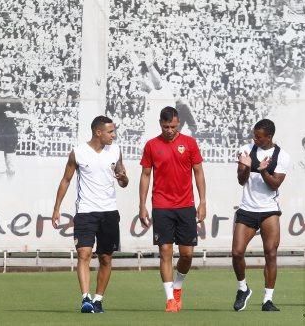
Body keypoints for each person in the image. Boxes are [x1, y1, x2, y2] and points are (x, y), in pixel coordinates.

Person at [52, 116, 129, 313]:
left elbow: (123, 180)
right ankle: (85, 299)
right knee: (84, 253)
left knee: (105, 258)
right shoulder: (78, 153)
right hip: (86, 211)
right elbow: (66, 180)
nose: (114, 135)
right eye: (110, 132)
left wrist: (123, 178)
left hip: (109, 212)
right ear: (98, 132)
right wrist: (56, 208)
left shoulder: (116, 150)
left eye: (114, 132)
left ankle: (98, 300)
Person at [139, 106, 206, 313]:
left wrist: (203, 202)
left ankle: (178, 287)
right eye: (166, 126)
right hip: (161, 206)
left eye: (173, 127)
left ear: (179, 124)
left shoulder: (190, 143)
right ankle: (170, 299)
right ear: (160, 123)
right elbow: (146, 175)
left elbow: (198, 172)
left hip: (186, 206)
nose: (170, 130)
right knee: (165, 251)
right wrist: (142, 205)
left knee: (186, 255)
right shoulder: (151, 145)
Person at [232, 119, 290, 312]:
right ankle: (243, 288)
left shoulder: (282, 156)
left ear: (269, 137)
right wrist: (246, 167)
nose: (254, 139)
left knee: (271, 254)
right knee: (237, 252)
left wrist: (264, 171)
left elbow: (274, 184)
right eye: (254, 135)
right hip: (247, 209)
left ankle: (268, 300)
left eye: (259, 136)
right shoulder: (246, 149)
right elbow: (241, 181)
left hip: (269, 210)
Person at [0, 75, 26, 178]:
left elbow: (27, 115)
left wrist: (14, 115)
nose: (4, 84)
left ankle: (10, 189)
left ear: (12, 84)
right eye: (2, 81)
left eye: (7, 82)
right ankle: (2, 191)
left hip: (10, 133)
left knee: (11, 167)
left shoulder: (15, 99)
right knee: (0, 168)